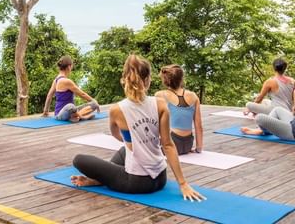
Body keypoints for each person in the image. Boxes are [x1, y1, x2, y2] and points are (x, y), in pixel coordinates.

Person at [70, 54, 205, 201]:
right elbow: (168, 145)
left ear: (125, 79)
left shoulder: (117, 109)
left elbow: (117, 136)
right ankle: (99, 180)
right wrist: (183, 184)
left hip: (136, 183)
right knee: (124, 151)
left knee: (79, 159)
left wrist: (134, 141)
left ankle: (100, 179)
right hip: (160, 178)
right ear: (148, 80)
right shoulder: (160, 104)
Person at [155, 65, 203, 155]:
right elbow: (199, 126)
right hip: (188, 144)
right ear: (181, 79)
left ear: (165, 80)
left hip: (172, 143)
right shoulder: (193, 96)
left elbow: (155, 122)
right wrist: (198, 148)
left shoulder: (160, 95)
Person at [42, 55, 100, 122]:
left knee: (94, 104)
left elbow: (49, 95)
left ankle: (76, 116)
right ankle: (80, 116)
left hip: (72, 112)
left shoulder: (56, 80)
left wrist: (45, 111)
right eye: (72, 66)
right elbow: (82, 94)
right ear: (69, 67)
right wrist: (93, 99)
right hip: (61, 115)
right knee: (71, 106)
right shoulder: (66, 81)